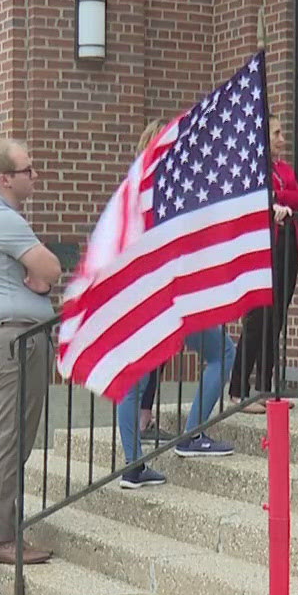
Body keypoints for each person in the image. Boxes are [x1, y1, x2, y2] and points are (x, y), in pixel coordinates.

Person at [112, 118, 238, 490]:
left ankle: (134, 465)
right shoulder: (174, 189)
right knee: (222, 353)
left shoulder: (133, 190)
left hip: (142, 294)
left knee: (136, 377)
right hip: (172, 293)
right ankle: (192, 435)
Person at [0, 138, 61, 566]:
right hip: (16, 340)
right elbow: (51, 268)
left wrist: (39, 277)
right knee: (10, 439)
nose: (35, 175)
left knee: (16, 438)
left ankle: (4, 530)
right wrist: (41, 274)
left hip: (17, 335)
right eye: (28, 169)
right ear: (5, 178)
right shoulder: (3, 220)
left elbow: (42, 274)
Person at [231, 126, 298, 412]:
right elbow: (261, 199)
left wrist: (282, 198)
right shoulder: (253, 169)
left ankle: (265, 389)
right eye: (276, 132)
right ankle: (238, 391)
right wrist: (277, 199)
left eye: (281, 132)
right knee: (257, 318)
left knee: (275, 319)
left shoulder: (284, 169)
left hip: (288, 250)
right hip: (263, 250)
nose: (282, 137)